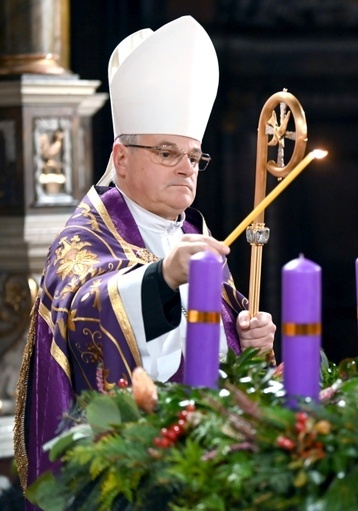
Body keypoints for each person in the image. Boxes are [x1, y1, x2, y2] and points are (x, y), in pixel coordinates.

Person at [14, 16, 276, 494]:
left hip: (214, 464)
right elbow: (83, 310)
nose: (186, 169)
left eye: (194, 157)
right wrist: (160, 278)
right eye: (166, 152)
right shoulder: (85, 238)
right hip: (127, 475)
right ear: (121, 158)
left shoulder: (196, 232)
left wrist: (249, 343)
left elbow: (215, 359)